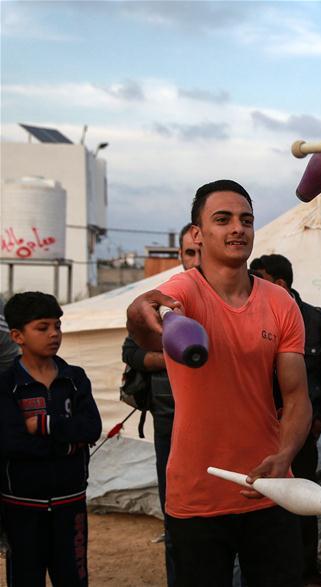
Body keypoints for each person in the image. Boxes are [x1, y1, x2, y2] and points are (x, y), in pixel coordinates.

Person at [126, 179, 313, 585]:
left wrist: (285, 456)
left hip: (267, 486)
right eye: (223, 219)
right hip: (197, 494)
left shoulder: (281, 303)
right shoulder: (184, 292)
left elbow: (297, 396)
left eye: (246, 220)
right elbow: (145, 314)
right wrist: (143, 309)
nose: (237, 229)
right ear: (198, 233)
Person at [249, 252, 321, 585]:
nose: (252, 286)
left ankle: (306, 574)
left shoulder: (316, 321)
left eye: (258, 278)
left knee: (301, 508)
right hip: (259, 435)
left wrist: (315, 426)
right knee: (260, 505)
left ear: (279, 283)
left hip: (303, 437)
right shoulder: (251, 318)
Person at [0, 292, 102, 586]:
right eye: (42, 327)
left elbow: (91, 428)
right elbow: (11, 443)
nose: (54, 334)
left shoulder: (75, 378)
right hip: (21, 505)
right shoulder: (8, 385)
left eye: (57, 326)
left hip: (71, 503)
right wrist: (70, 443)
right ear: (18, 336)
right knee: (25, 579)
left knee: (73, 578)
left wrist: (42, 424)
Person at [121, 223, 200, 586]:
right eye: (189, 253)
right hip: (172, 426)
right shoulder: (161, 301)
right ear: (181, 256)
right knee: (178, 518)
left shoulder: (239, 299)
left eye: (201, 252)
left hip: (227, 430)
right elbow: (131, 351)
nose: (196, 261)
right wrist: (173, 355)